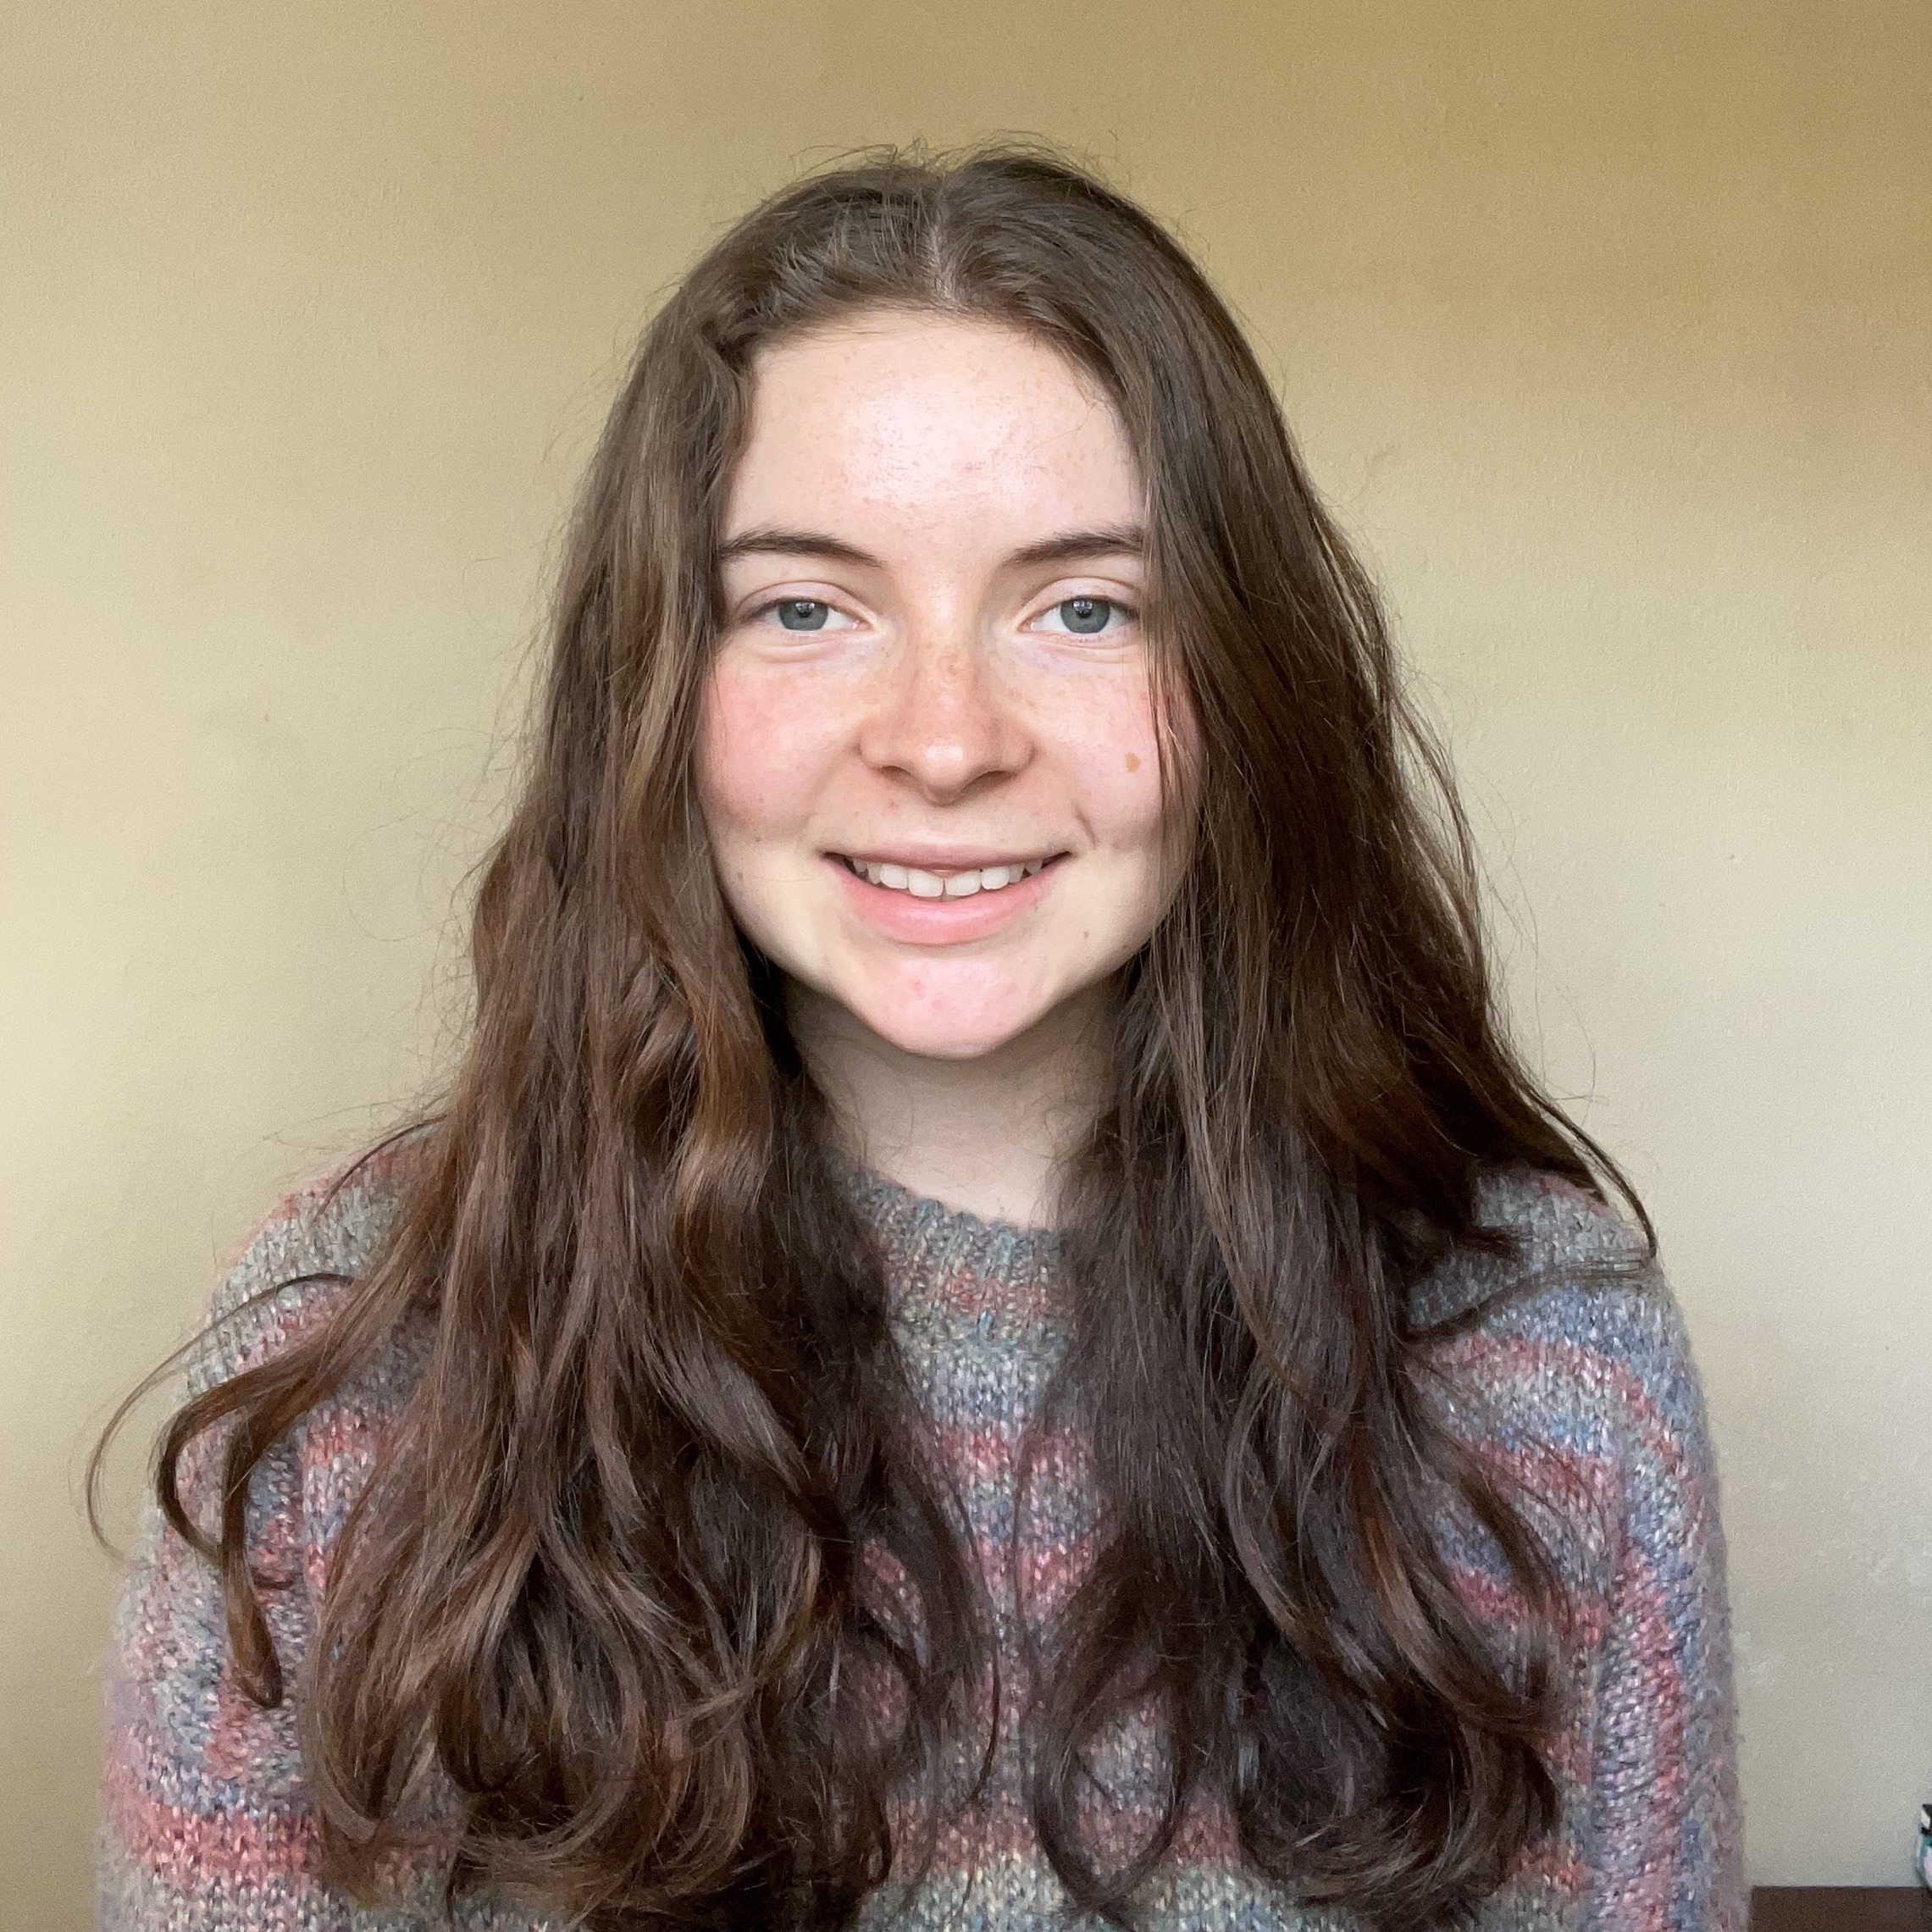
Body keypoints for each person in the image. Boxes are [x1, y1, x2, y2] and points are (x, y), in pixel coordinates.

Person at [95, 147, 1744, 1932]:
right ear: (655, 690)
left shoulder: (1544, 1366)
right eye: (805, 608)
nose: (945, 742)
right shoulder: (346, 1362)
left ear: (1245, 685)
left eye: (1086, 608)